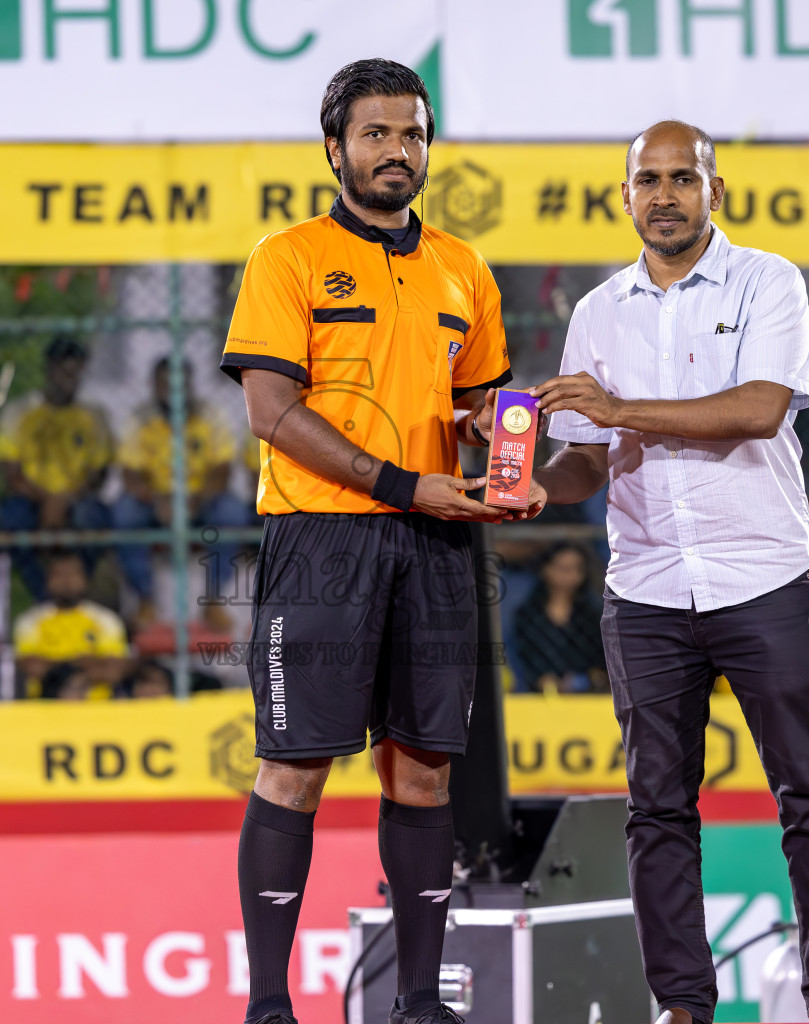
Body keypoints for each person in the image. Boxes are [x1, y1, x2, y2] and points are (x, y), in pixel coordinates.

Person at [217, 58, 541, 1024]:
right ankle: (271, 1005)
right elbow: (273, 412)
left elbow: (483, 402)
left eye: (412, 133)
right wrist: (403, 483)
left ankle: (416, 1003)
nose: (397, 150)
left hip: (439, 546)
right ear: (335, 150)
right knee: (295, 765)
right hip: (321, 540)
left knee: (424, 767)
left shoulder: (462, 268)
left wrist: (499, 436)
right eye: (375, 134)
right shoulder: (289, 257)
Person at [530, 121, 809, 1024]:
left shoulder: (770, 283)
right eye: (650, 179)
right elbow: (584, 457)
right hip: (643, 591)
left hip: (761, 577)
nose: (667, 195)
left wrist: (616, 409)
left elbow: (759, 411)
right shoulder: (598, 313)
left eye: (685, 178)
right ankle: (682, 1006)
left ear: (716, 190)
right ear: (627, 194)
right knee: (658, 812)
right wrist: (521, 476)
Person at [112, 355, 254, 624]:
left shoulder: (210, 416)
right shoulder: (140, 419)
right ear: (154, 385)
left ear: (190, 384)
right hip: (155, 504)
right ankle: (146, 601)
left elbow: (222, 470)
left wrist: (194, 501)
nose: (172, 389)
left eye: (178, 383)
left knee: (232, 512)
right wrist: (157, 501)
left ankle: (213, 601)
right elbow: (130, 474)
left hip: (200, 501)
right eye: (164, 383)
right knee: (125, 513)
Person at [0, 334, 113, 601]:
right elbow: (10, 472)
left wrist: (63, 500)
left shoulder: (94, 415)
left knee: (93, 520)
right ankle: (45, 598)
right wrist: (47, 501)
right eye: (63, 370)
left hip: (76, 498)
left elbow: (98, 474)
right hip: (31, 497)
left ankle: (75, 594)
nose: (69, 377)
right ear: (49, 371)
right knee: (12, 522)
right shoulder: (20, 411)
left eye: (76, 371)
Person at [12, 549, 131, 700]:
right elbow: (32, 667)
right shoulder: (30, 621)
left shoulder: (106, 619)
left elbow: (113, 671)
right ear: (47, 580)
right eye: (59, 575)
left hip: (98, 709)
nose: (66, 581)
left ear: (86, 579)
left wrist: (54, 664)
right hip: (43, 708)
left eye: (72, 574)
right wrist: (87, 663)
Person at [510, 542, 607, 693]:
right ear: (545, 569)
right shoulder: (528, 615)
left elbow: (601, 666)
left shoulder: (594, 615)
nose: (570, 575)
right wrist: (541, 680)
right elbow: (523, 662)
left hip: (589, 699)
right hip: (534, 699)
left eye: (577, 568)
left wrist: (585, 680)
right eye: (563, 568)